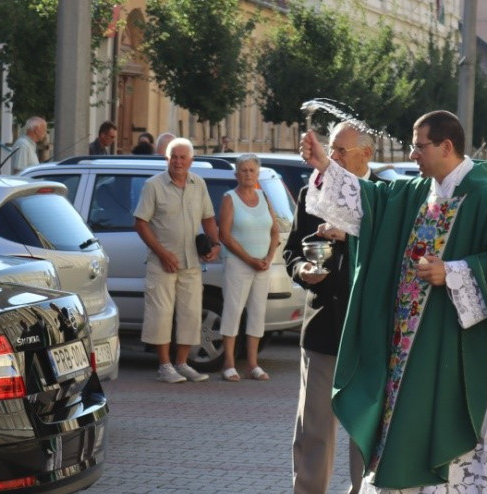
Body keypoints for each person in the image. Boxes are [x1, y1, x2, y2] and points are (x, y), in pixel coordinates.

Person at [300, 110, 487, 491]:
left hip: (457, 348)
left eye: (419, 147)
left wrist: (454, 271)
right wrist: (325, 166)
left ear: (446, 147)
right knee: (406, 430)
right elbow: (371, 203)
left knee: (451, 433)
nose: (412, 155)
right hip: (406, 347)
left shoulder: (484, 197)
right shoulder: (417, 192)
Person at [285, 121, 379, 494]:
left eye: (341, 151)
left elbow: (394, 254)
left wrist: (349, 236)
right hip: (323, 325)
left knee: (365, 432)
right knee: (314, 431)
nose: (334, 158)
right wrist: (301, 270)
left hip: (367, 331)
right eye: (332, 150)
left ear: (366, 154)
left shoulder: (384, 194)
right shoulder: (313, 191)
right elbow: (292, 249)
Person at [134, 137, 220, 383]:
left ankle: (182, 364)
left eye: (183, 157)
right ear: (167, 159)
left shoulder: (198, 184)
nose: (179, 162)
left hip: (191, 262)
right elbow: (140, 223)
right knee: (160, 314)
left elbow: (209, 219)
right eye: (174, 157)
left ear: (191, 161)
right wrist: (162, 253)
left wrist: (215, 245)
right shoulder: (153, 186)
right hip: (162, 263)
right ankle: (164, 366)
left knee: (191, 314)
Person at [217, 154, 279, 382]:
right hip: (238, 264)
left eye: (252, 170)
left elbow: (274, 230)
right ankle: (229, 364)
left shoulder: (264, 196)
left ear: (258, 173)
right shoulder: (229, 198)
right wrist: (249, 259)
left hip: (262, 265)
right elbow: (224, 235)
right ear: (236, 174)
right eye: (243, 170)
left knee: (257, 313)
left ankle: (253, 364)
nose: (248, 174)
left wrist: (269, 257)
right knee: (233, 311)